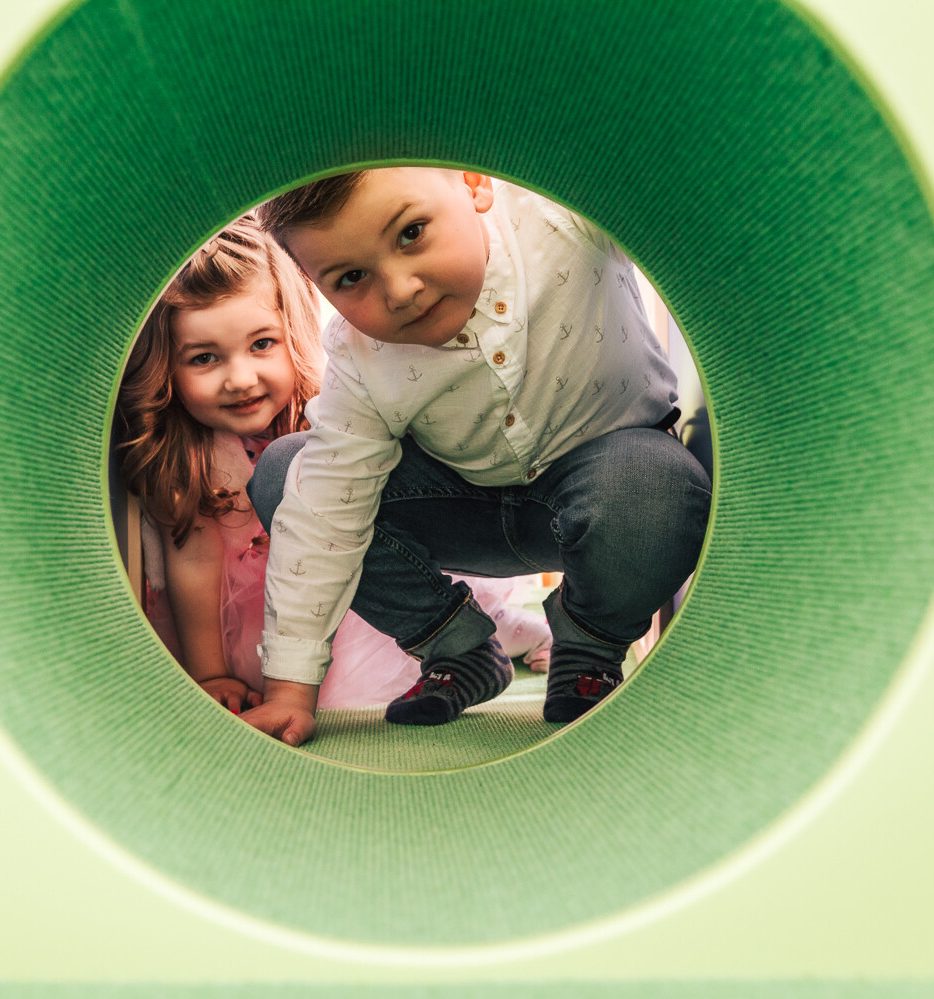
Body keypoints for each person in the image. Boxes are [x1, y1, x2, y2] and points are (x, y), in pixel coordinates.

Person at [240, 168, 711, 746]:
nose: (400, 289)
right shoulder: (359, 358)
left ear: (473, 182)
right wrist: (290, 690)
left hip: (612, 489)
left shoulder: (563, 215)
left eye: (411, 232)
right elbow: (320, 517)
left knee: (654, 480)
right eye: (351, 277)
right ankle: (457, 651)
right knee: (288, 474)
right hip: (463, 508)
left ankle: (589, 646)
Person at [117, 216, 552, 714]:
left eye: (262, 344)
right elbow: (193, 560)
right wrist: (209, 672)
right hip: (258, 617)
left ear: (293, 336)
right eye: (203, 358)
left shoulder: (336, 413)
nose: (240, 379)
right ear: (167, 367)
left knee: (467, 627)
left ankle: (527, 634)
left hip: (352, 595)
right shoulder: (187, 453)